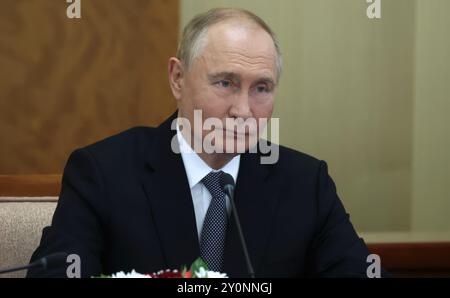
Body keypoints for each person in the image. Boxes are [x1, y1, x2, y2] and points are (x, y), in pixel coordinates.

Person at [28, 8, 379, 278]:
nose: (243, 110)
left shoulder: (305, 183)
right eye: (225, 83)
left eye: (261, 88)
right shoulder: (103, 172)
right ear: (178, 79)